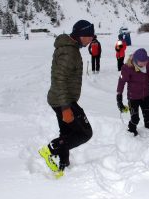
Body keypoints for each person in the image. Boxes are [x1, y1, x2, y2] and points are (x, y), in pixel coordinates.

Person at [39, 20, 94, 174]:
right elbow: (59, 78)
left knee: (67, 134)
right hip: (63, 101)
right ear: (79, 34)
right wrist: (65, 108)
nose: (90, 39)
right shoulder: (69, 52)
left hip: (62, 98)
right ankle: (50, 150)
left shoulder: (70, 48)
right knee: (85, 133)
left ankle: (63, 163)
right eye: (88, 35)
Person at [116, 48, 149, 136]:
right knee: (135, 119)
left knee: (148, 118)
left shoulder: (148, 64)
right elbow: (121, 82)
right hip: (133, 97)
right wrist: (119, 98)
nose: (143, 64)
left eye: (145, 62)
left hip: (145, 95)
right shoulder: (127, 67)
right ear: (135, 60)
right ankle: (131, 133)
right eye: (141, 62)